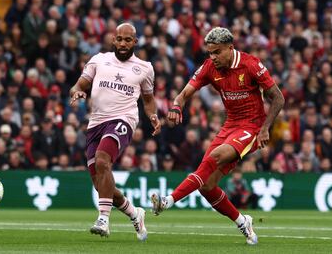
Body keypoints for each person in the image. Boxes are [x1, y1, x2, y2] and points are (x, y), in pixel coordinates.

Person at [151, 27, 285, 245]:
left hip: (251, 127)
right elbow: (185, 93)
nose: (212, 57)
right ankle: (243, 221)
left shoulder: (250, 64)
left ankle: (168, 200)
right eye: (209, 53)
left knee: (216, 157)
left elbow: (278, 98)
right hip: (229, 126)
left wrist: (265, 128)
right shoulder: (209, 67)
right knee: (206, 186)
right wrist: (176, 107)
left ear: (230, 48)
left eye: (217, 52)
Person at [69, 23, 161, 240]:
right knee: (101, 183)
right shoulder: (98, 60)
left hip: (123, 120)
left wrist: (153, 116)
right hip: (96, 123)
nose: (122, 43)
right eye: (119, 39)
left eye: (127, 40)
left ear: (135, 42)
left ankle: (103, 219)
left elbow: (148, 100)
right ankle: (134, 213)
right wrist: (78, 92)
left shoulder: (145, 67)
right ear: (113, 40)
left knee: (103, 161)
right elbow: (78, 85)